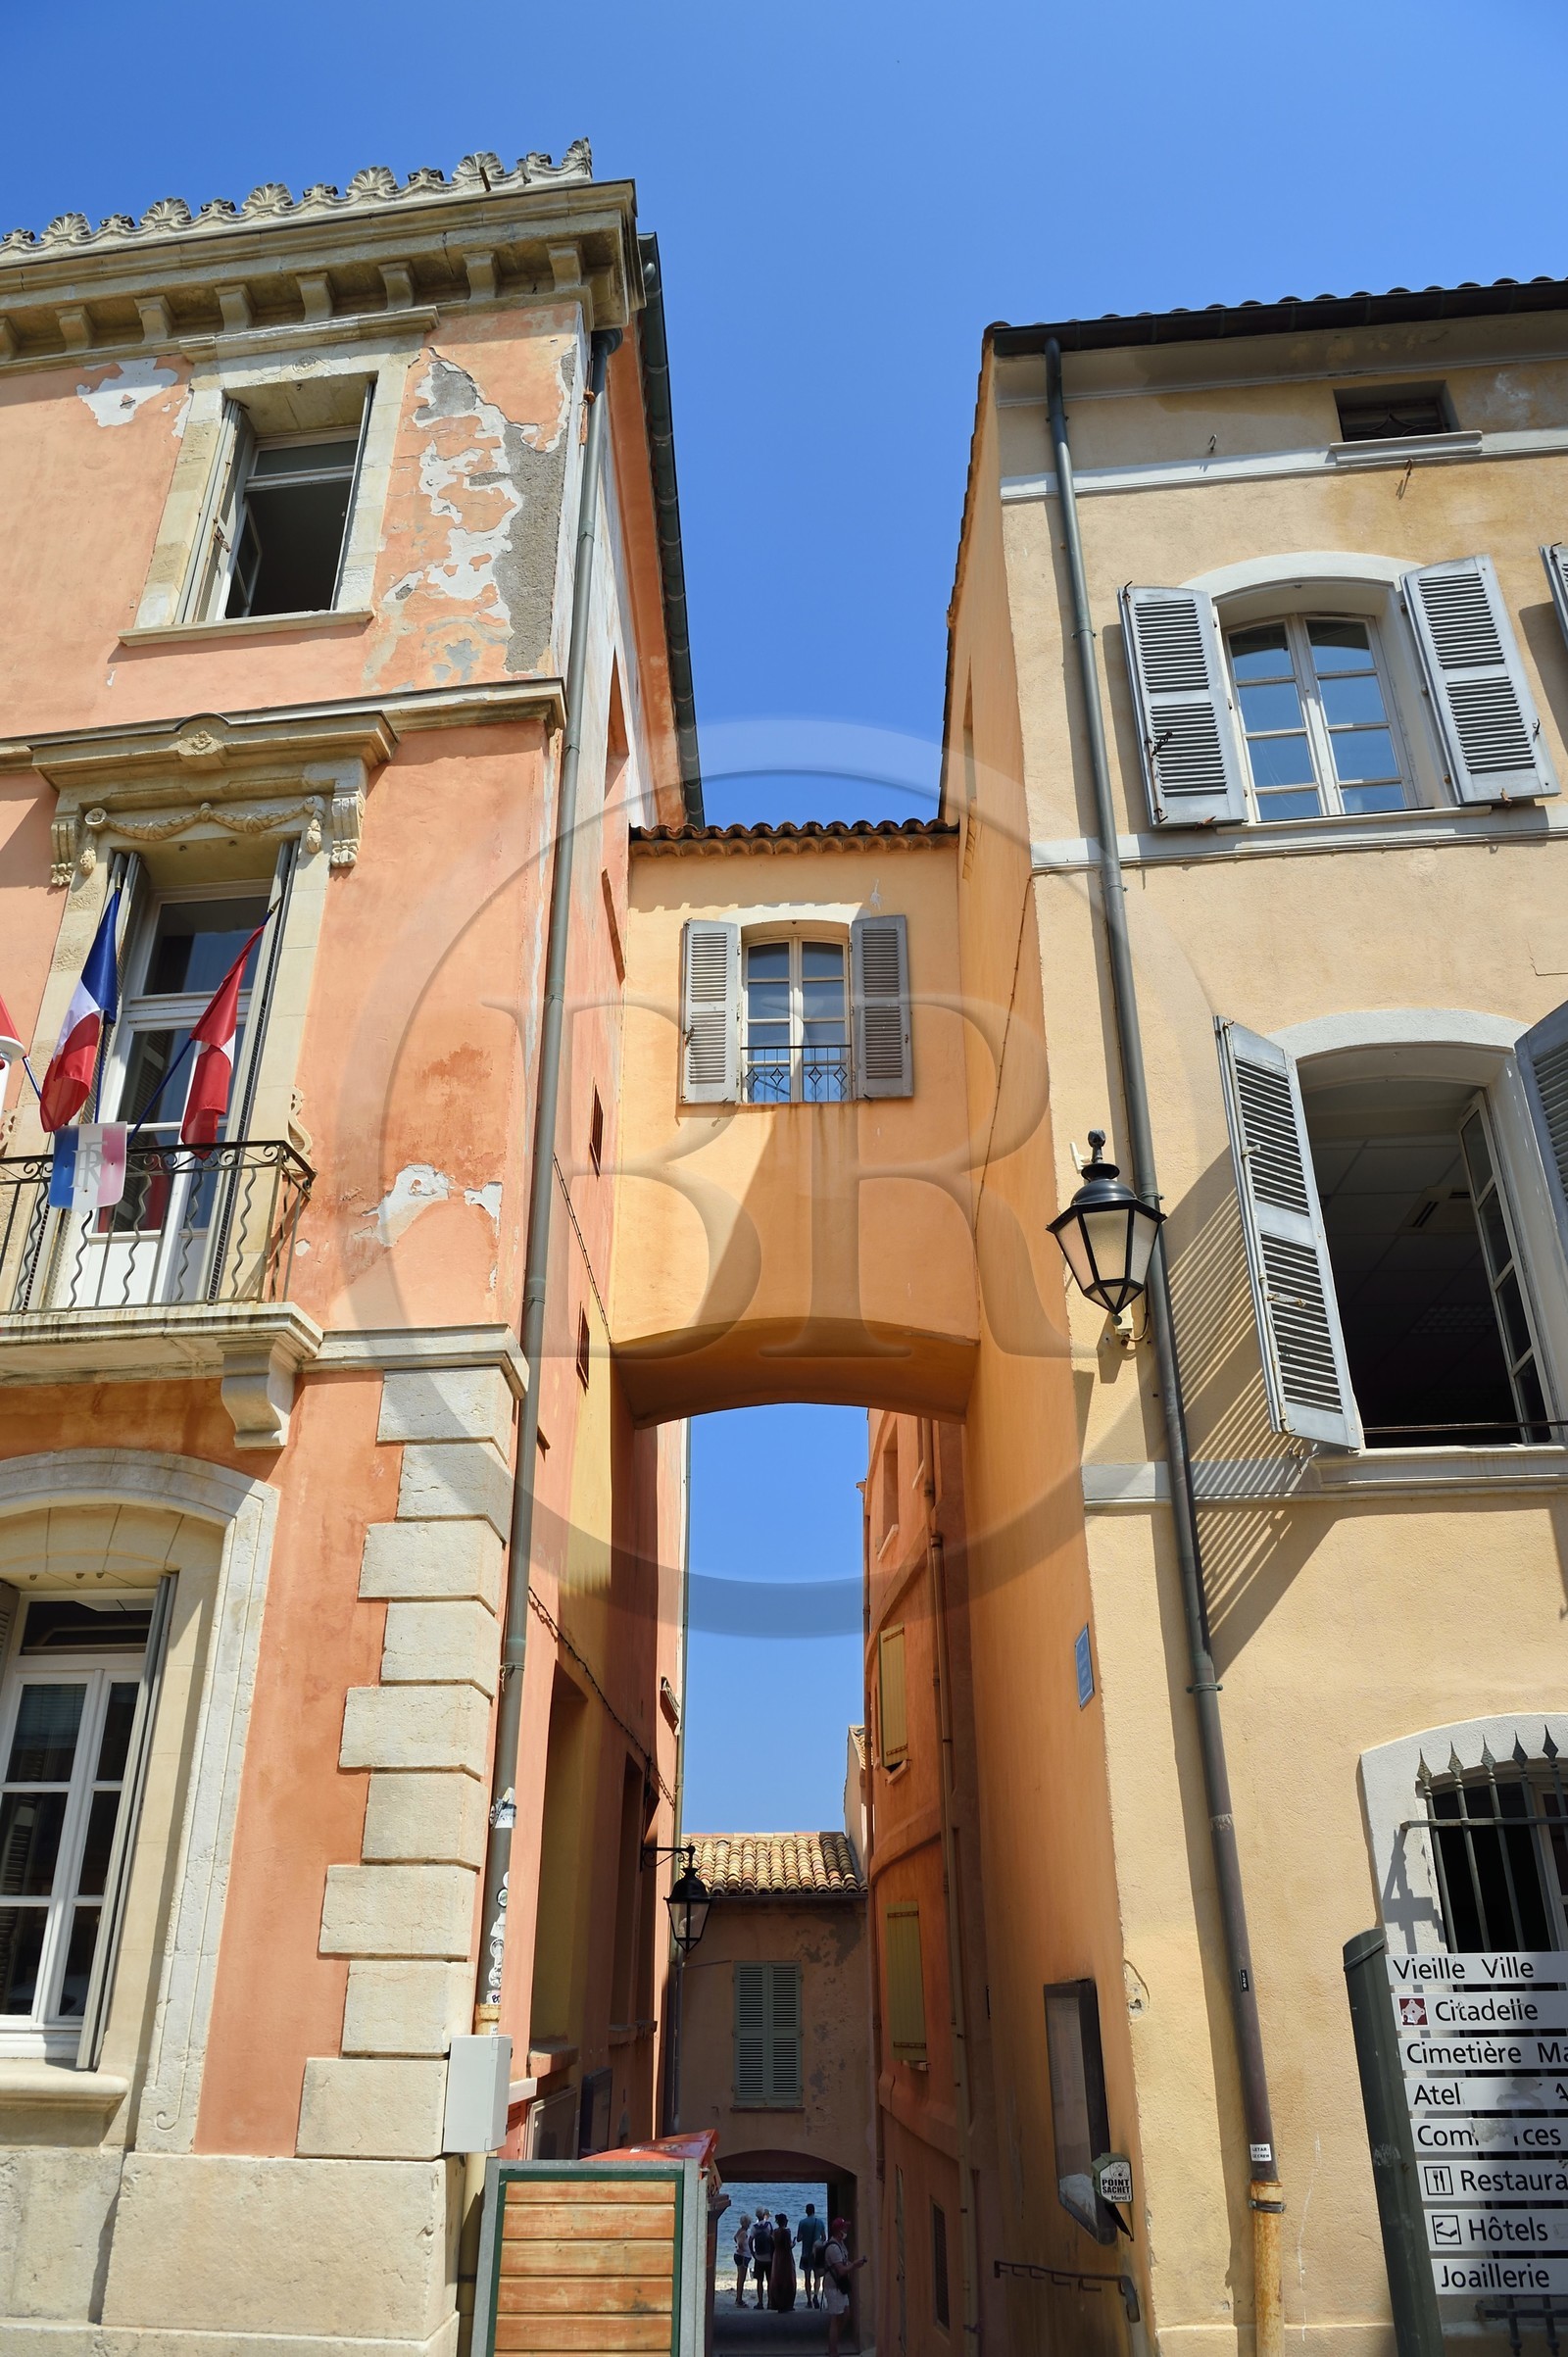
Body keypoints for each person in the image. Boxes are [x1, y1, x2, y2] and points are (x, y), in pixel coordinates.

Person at [820, 2216, 865, 2355]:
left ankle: (832, 2345)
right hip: (834, 2286)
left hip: (840, 2287)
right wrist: (855, 2265)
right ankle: (833, 2350)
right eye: (844, 2228)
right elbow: (841, 2270)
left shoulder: (840, 2244)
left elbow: (844, 2262)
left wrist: (853, 2263)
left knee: (845, 2314)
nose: (846, 2230)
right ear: (839, 2231)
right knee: (836, 2318)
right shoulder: (833, 2247)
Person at [797, 2202, 825, 2307]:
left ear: (806, 2211)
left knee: (807, 2277)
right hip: (816, 2254)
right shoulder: (820, 2222)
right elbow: (824, 2237)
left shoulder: (802, 2222)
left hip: (805, 2254)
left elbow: (799, 2238)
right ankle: (816, 2296)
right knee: (817, 2276)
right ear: (814, 2211)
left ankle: (809, 2300)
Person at [768, 2211, 797, 2311]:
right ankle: (787, 2304)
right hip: (786, 2257)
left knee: (777, 2278)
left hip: (777, 2256)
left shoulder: (775, 2232)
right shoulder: (786, 2232)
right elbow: (788, 2246)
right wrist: (794, 2243)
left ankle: (776, 2303)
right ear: (784, 2221)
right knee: (788, 2279)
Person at [748, 2210, 774, 2309]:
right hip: (769, 2258)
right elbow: (773, 2239)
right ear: (764, 2215)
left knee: (759, 2281)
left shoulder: (754, 2227)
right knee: (770, 2280)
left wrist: (752, 2253)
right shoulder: (769, 2225)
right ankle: (770, 2302)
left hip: (759, 2258)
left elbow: (750, 2241)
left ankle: (760, 2302)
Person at [731, 2212, 752, 2307]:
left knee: (740, 2278)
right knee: (741, 2279)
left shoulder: (740, 2230)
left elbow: (735, 2238)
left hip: (739, 2255)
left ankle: (738, 2298)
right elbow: (740, 2242)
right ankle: (739, 2299)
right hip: (742, 2256)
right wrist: (743, 2249)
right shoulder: (743, 2232)